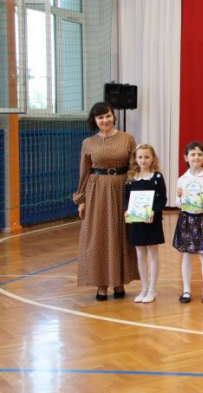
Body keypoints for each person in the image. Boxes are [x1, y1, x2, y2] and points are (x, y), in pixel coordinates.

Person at [73, 101, 138, 301]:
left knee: (120, 235)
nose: (105, 120)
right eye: (100, 117)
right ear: (95, 120)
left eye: (108, 115)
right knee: (99, 236)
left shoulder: (127, 138)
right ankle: (101, 285)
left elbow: (134, 167)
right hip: (97, 191)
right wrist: (81, 199)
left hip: (121, 189)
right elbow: (84, 172)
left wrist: (138, 195)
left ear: (113, 116)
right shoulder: (88, 143)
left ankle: (119, 283)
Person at [173, 141, 203, 304]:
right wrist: (178, 197)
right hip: (187, 219)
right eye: (192, 154)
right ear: (186, 157)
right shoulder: (182, 179)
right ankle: (186, 290)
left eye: (199, 154)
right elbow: (178, 204)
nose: (196, 157)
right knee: (187, 255)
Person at [124, 144, 167, 303]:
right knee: (140, 254)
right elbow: (127, 199)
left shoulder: (157, 177)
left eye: (147, 157)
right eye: (140, 157)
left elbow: (162, 199)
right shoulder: (130, 177)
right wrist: (127, 210)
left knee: (153, 253)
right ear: (135, 158)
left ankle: (152, 289)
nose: (143, 160)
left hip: (152, 221)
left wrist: (153, 212)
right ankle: (144, 287)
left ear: (153, 158)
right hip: (137, 222)